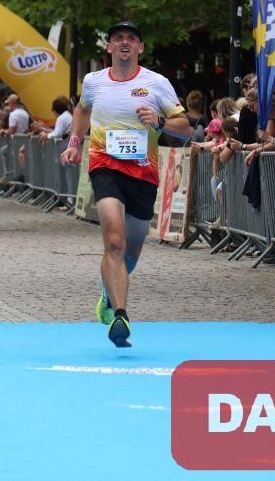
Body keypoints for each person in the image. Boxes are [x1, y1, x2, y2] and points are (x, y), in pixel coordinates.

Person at [60, 21, 189, 348]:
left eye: (132, 38)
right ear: (109, 47)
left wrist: (159, 121)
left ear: (140, 47)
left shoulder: (156, 83)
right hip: (104, 166)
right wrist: (75, 143)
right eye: (118, 38)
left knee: (130, 252)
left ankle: (107, 293)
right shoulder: (94, 81)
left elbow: (184, 126)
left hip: (143, 174)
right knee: (114, 241)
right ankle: (120, 314)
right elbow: (81, 110)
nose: (125, 42)